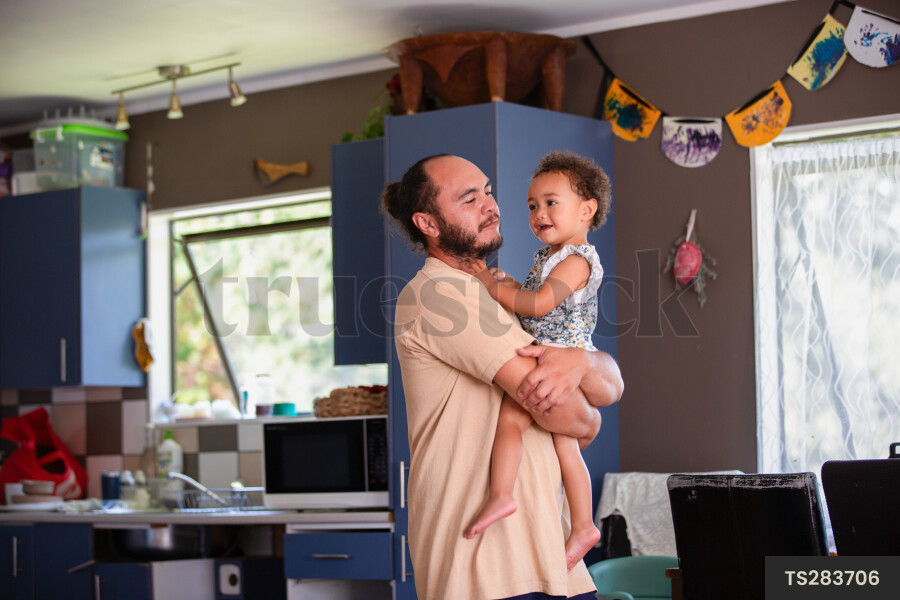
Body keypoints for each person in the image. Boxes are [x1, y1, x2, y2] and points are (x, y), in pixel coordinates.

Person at [382, 153, 623, 600]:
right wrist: (588, 414)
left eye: (489, 191)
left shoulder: (498, 292)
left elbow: (611, 382)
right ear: (428, 224)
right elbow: (572, 413)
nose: (490, 205)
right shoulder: (441, 294)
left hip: (548, 554)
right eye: (469, 198)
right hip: (486, 565)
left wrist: (584, 364)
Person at [461, 151, 612, 572]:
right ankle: (579, 523)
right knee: (561, 445)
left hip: (558, 357)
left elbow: (541, 304)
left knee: (516, 422)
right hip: (545, 353)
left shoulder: (578, 259)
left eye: (550, 202)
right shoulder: (549, 257)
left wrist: (491, 289)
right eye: (532, 205)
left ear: (586, 210)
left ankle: (504, 496)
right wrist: (507, 281)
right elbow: (530, 294)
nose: (538, 213)